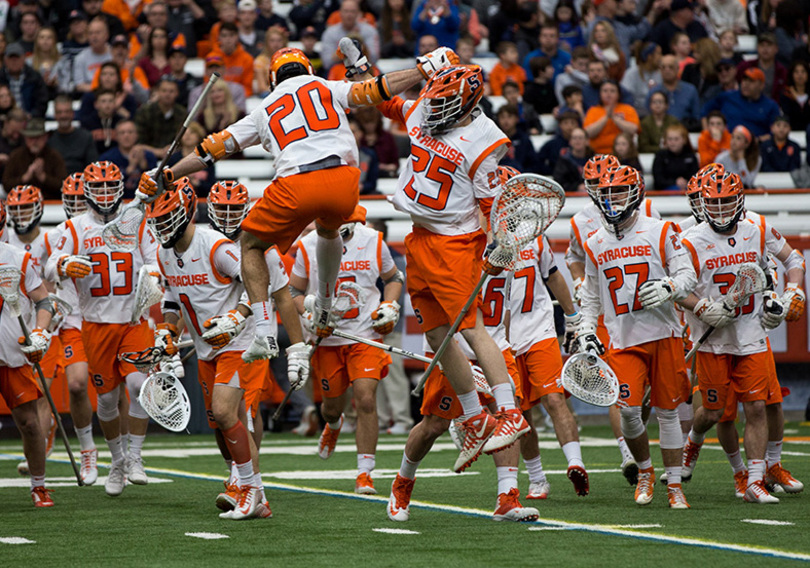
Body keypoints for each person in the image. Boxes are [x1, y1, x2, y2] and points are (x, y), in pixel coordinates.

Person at [138, 46, 462, 412]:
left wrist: (169, 174)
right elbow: (376, 90)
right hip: (344, 181)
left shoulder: (265, 106)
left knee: (252, 246)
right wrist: (423, 69)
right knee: (327, 231)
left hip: (297, 182)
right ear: (307, 68)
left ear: (273, 79)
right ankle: (323, 303)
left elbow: (213, 148)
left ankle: (263, 331)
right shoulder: (326, 86)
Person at [147, 179, 274, 520]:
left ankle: (248, 489)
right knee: (220, 425)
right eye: (157, 220)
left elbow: (257, 282)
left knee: (226, 411)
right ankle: (254, 493)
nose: (162, 227)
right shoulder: (163, 253)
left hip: (240, 341)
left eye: (167, 218)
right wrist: (168, 329)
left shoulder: (215, 246)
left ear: (187, 213)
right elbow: (173, 298)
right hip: (207, 347)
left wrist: (237, 316)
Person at [574, 164, 697, 508]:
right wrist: (585, 330)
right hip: (623, 337)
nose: (612, 200)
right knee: (628, 410)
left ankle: (674, 485)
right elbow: (592, 297)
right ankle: (644, 470)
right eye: (607, 193)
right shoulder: (595, 241)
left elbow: (687, 274)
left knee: (668, 411)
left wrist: (669, 286)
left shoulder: (661, 230)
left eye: (619, 192)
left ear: (637, 192)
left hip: (664, 332)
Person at [44, 161, 159, 497]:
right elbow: (50, 263)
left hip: (133, 320)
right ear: (88, 192)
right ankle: (118, 460)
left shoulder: (135, 221)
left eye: (112, 187)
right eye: (100, 188)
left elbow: (155, 259)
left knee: (139, 386)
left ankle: (135, 455)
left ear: (121, 188)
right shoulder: (75, 227)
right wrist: (65, 263)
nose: (107, 195)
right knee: (107, 401)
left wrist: (152, 278)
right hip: (95, 324)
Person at [678, 169, 779, 503]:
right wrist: (704, 306)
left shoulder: (757, 229)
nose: (720, 209)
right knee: (713, 412)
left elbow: (784, 265)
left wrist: (783, 298)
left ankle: (753, 480)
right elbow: (679, 291)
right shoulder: (691, 239)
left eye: (726, 202)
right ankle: (693, 440)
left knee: (757, 408)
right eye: (714, 203)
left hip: (750, 334)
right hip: (713, 340)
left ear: (740, 201)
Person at [565, 154, 661, 485]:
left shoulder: (645, 210)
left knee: (647, 391)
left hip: (648, 310)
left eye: (603, 182)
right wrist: (581, 281)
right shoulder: (581, 220)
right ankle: (627, 451)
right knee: (616, 384)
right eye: (592, 183)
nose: (600, 190)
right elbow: (574, 256)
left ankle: (647, 449)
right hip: (609, 311)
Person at [290, 222, 401, 495]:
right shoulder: (307, 245)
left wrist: (389, 304)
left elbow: (394, 278)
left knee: (365, 398)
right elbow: (294, 291)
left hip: (365, 334)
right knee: (331, 408)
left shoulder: (373, 240)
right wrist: (309, 316)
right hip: (328, 338)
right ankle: (334, 424)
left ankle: (365, 473)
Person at [42, 174, 99, 486]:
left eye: (82, 198)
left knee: (113, 390)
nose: (77, 204)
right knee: (77, 384)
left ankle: (125, 455)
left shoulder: (105, 228)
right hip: (74, 317)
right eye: (72, 199)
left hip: (107, 316)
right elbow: (46, 271)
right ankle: (87, 448)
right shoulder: (60, 233)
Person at [0, 202, 56, 507]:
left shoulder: (18, 258)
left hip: (10, 356)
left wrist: (40, 332)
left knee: (31, 424)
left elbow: (44, 302)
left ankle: (39, 485)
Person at [702, 67, 781, 140]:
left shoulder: (771, 106)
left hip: (756, 147)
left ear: (761, 85)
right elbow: (704, 112)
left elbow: (776, 131)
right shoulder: (727, 96)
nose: (746, 84)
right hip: (726, 144)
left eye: (751, 81)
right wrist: (708, 133)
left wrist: (758, 140)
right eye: (744, 80)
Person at [3, 118, 67, 200]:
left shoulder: (54, 156)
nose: (34, 142)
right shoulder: (16, 156)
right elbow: (6, 185)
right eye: (31, 138)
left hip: (51, 203)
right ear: (25, 138)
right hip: (21, 204)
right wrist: (24, 178)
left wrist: (43, 177)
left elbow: (64, 186)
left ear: (45, 137)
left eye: (38, 137)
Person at [100, 120, 157, 197]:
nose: (126, 136)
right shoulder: (107, 159)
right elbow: (106, 186)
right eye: (122, 133)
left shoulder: (149, 156)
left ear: (137, 135)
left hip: (145, 201)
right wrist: (129, 169)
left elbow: (156, 184)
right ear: (116, 136)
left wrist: (144, 165)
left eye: (130, 132)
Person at [134, 77, 186, 159]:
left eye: (171, 91)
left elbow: (184, 140)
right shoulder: (145, 111)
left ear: (177, 93)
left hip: (175, 156)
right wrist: (158, 152)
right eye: (164, 91)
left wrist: (173, 149)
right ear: (158, 92)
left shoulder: (182, 113)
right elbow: (138, 141)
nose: (167, 94)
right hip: (148, 155)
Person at [584, 80, 640, 154]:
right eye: (605, 91)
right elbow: (588, 133)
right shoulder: (593, 110)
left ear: (619, 94)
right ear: (600, 94)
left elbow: (633, 130)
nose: (608, 94)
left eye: (612, 91)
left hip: (623, 154)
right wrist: (606, 117)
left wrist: (614, 118)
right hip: (597, 154)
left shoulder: (628, 109)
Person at [322, 0, 381, 70]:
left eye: (352, 11)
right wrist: (347, 49)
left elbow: (374, 58)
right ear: (340, 13)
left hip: (364, 68)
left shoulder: (369, 30)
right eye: (346, 11)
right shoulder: (330, 32)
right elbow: (327, 62)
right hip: (338, 70)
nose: (349, 15)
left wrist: (360, 43)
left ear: (359, 13)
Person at [647, 55, 701, 131]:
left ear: (677, 69)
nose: (667, 70)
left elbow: (696, 116)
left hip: (686, 131)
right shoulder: (653, 92)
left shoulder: (690, 90)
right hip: (659, 133)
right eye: (663, 67)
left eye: (671, 67)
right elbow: (648, 116)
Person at [47, 95, 98, 174]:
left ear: (73, 114)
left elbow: (93, 167)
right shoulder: (48, 137)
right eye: (59, 112)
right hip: (55, 183)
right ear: (55, 115)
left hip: (80, 182)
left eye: (67, 112)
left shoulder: (86, 137)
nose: (63, 116)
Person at [0, 43, 48, 118]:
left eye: (17, 58)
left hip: (30, 119)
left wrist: (31, 115)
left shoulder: (35, 77)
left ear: (23, 58)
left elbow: (42, 102)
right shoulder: (1, 77)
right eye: (11, 58)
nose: (14, 61)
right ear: (5, 60)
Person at [737, 32, 787, 101]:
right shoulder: (745, 66)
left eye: (769, 45)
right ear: (757, 48)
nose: (765, 49)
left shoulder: (782, 71)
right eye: (762, 45)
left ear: (776, 49)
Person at [210, 23, 255, 96]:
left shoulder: (247, 59)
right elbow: (208, 84)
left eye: (231, 35)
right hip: (216, 98)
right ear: (219, 37)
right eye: (224, 35)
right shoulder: (211, 58)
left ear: (237, 36)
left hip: (239, 98)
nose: (228, 39)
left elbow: (247, 87)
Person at [653, 123, 699, 190]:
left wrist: (685, 183)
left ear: (684, 140)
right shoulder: (660, 156)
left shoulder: (691, 156)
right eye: (670, 139)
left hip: (688, 189)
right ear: (666, 140)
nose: (673, 142)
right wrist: (675, 182)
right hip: (664, 193)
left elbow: (695, 178)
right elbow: (658, 180)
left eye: (676, 139)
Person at [621, 42, 662, 116]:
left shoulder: (660, 73)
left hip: (658, 112)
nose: (661, 57)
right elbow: (625, 96)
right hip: (636, 113)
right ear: (649, 56)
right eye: (658, 54)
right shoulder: (631, 73)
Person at [72, 17, 112, 94]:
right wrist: (100, 90)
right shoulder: (80, 58)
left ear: (106, 35)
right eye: (91, 33)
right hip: (90, 95)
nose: (94, 36)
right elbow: (79, 85)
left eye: (97, 32)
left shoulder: (114, 55)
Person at [496, 104, 538, 173]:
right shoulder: (494, 140)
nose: (506, 121)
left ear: (517, 118)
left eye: (509, 117)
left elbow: (534, 164)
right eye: (502, 117)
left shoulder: (524, 139)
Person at [680, 38, 721, 107]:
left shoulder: (719, 72)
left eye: (697, 52)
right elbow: (683, 91)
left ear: (706, 54)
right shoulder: (689, 69)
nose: (694, 55)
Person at [553, 127, 594, 192]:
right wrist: (576, 187)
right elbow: (558, 183)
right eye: (574, 138)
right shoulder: (563, 161)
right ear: (570, 141)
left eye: (580, 138)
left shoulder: (594, 161)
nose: (577, 140)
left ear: (587, 141)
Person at [780, 60, 810, 131]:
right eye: (796, 72)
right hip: (791, 130)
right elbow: (788, 114)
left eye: (803, 72)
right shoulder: (786, 93)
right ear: (792, 74)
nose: (800, 75)